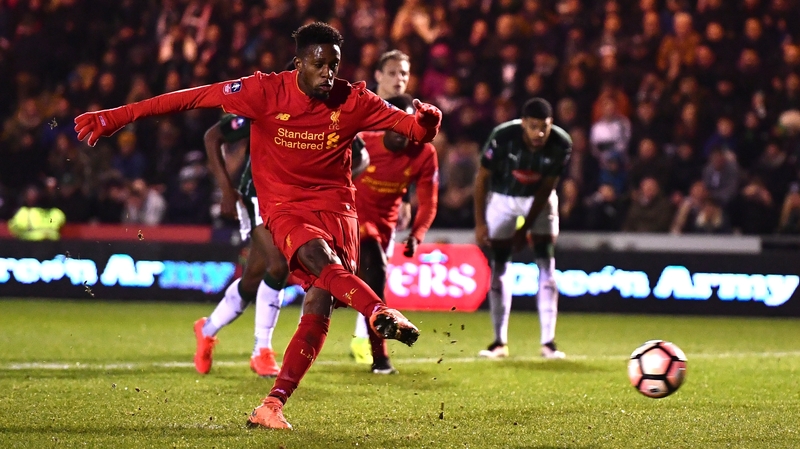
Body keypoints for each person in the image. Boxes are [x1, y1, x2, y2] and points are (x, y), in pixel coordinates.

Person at [74, 22, 442, 430]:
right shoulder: (263, 91)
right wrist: (118, 116)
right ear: (299, 62)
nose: (328, 74)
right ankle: (377, 311)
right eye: (319, 65)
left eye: (333, 65)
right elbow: (190, 98)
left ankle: (273, 404)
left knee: (319, 306)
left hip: (338, 210)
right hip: (285, 206)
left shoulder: (353, 99)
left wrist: (428, 122)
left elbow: (413, 131)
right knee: (313, 261)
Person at [195, 110, 369, 378]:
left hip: (298, 202)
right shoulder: (269, 105)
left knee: (253, 278)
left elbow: (361, 155)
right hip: (259, 196)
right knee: (278, 266)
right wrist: (226, 189)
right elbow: (213, 136)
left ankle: (206, 330)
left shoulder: (331, 112)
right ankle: (261, 350)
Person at [473, 98, 572, 360]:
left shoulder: (562, 143)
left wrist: (525, 228)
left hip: (539, 200)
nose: (539, 133)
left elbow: (547, 187)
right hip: (503, 199)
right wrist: (480, 221)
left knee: (546, 266)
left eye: (544, 127)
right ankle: (499, 342)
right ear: (523, 124)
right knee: (500, 266)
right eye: (533, 126)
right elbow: (482, 177)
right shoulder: (502, 137)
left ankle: (548, 342)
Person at [351, 94, 439, 375]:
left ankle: (376, 356)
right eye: (398, 124)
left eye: (409, 125)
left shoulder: (423, 153)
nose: (404, 132)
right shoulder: (361, 142)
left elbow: (428, 201)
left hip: (386, 229)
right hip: (350, 221)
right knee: (374, 278)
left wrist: (417, 234)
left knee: (366, 291)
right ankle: (381, 359)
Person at [349, 49, 414, 366]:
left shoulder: (408, 112)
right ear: (378, 75)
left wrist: (406, 198)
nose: (399, 79)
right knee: (356, 273)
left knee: (374, 274)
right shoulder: (363, 108)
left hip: (386, 208)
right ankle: (368, 343)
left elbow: (411, 159)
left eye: (404, 73)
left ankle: (363, 338)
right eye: (392, 73)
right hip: (353, 205)